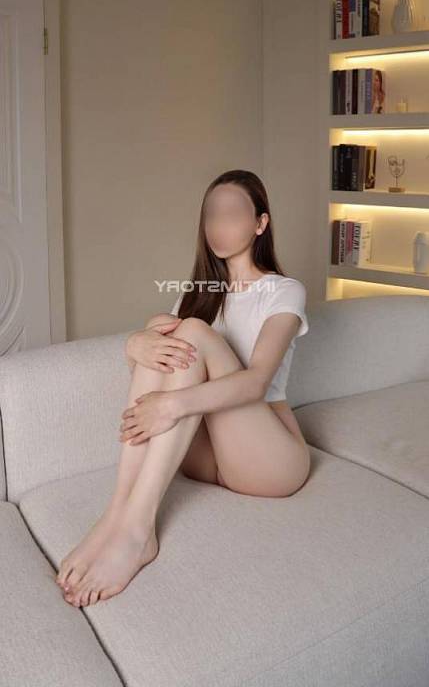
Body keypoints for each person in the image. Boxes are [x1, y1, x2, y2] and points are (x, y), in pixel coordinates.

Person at [55, 169, 311, 607]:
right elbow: (157, 366)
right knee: (163, 325)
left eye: (233, 214)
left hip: (270, 460)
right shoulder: (196, 294)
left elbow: (255, 382)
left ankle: (138, 532)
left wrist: (172, 405)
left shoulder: (283, 292)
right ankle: (117, 513)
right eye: (212, 214)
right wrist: (134, 344)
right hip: (205, 456)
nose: (219, 225)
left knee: (188, 330)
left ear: (260, 223)